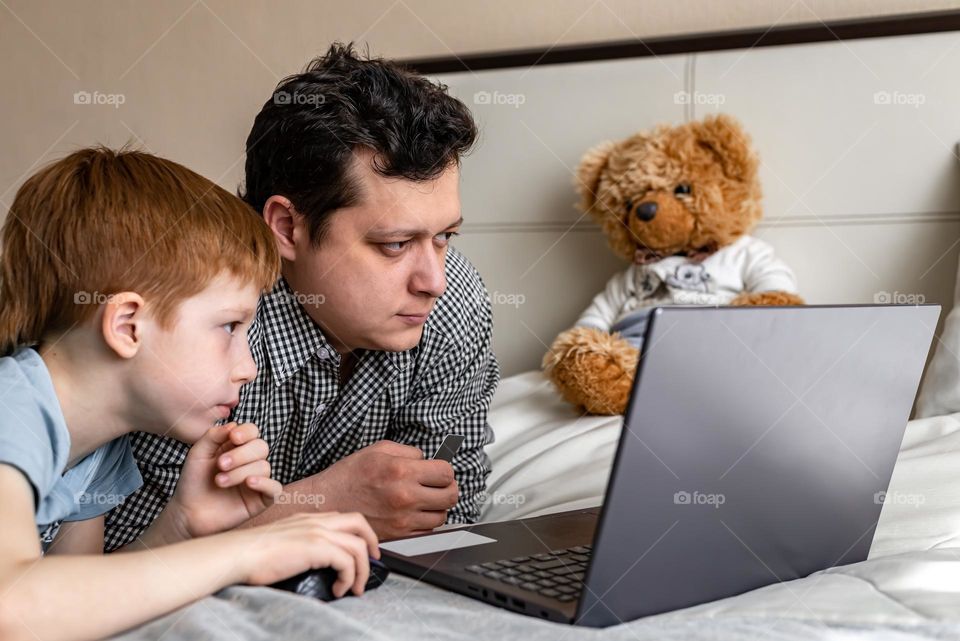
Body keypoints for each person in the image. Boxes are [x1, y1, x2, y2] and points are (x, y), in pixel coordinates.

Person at [107, 43, 501, 550]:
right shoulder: (190, 326)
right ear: (288, 228)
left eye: (445, 236)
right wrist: (327, 500)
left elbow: (449, 508)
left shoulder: (454, 304)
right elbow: (121, 562)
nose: (433, 281)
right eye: (394, 244)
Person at [0, 147, 379, 641]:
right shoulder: (13, 409)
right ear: (128, 325)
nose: (249, 367)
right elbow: (13, 609)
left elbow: (79, 615)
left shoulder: (98, 449)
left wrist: (178, 528)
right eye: (229, 326)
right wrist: (248, 551)